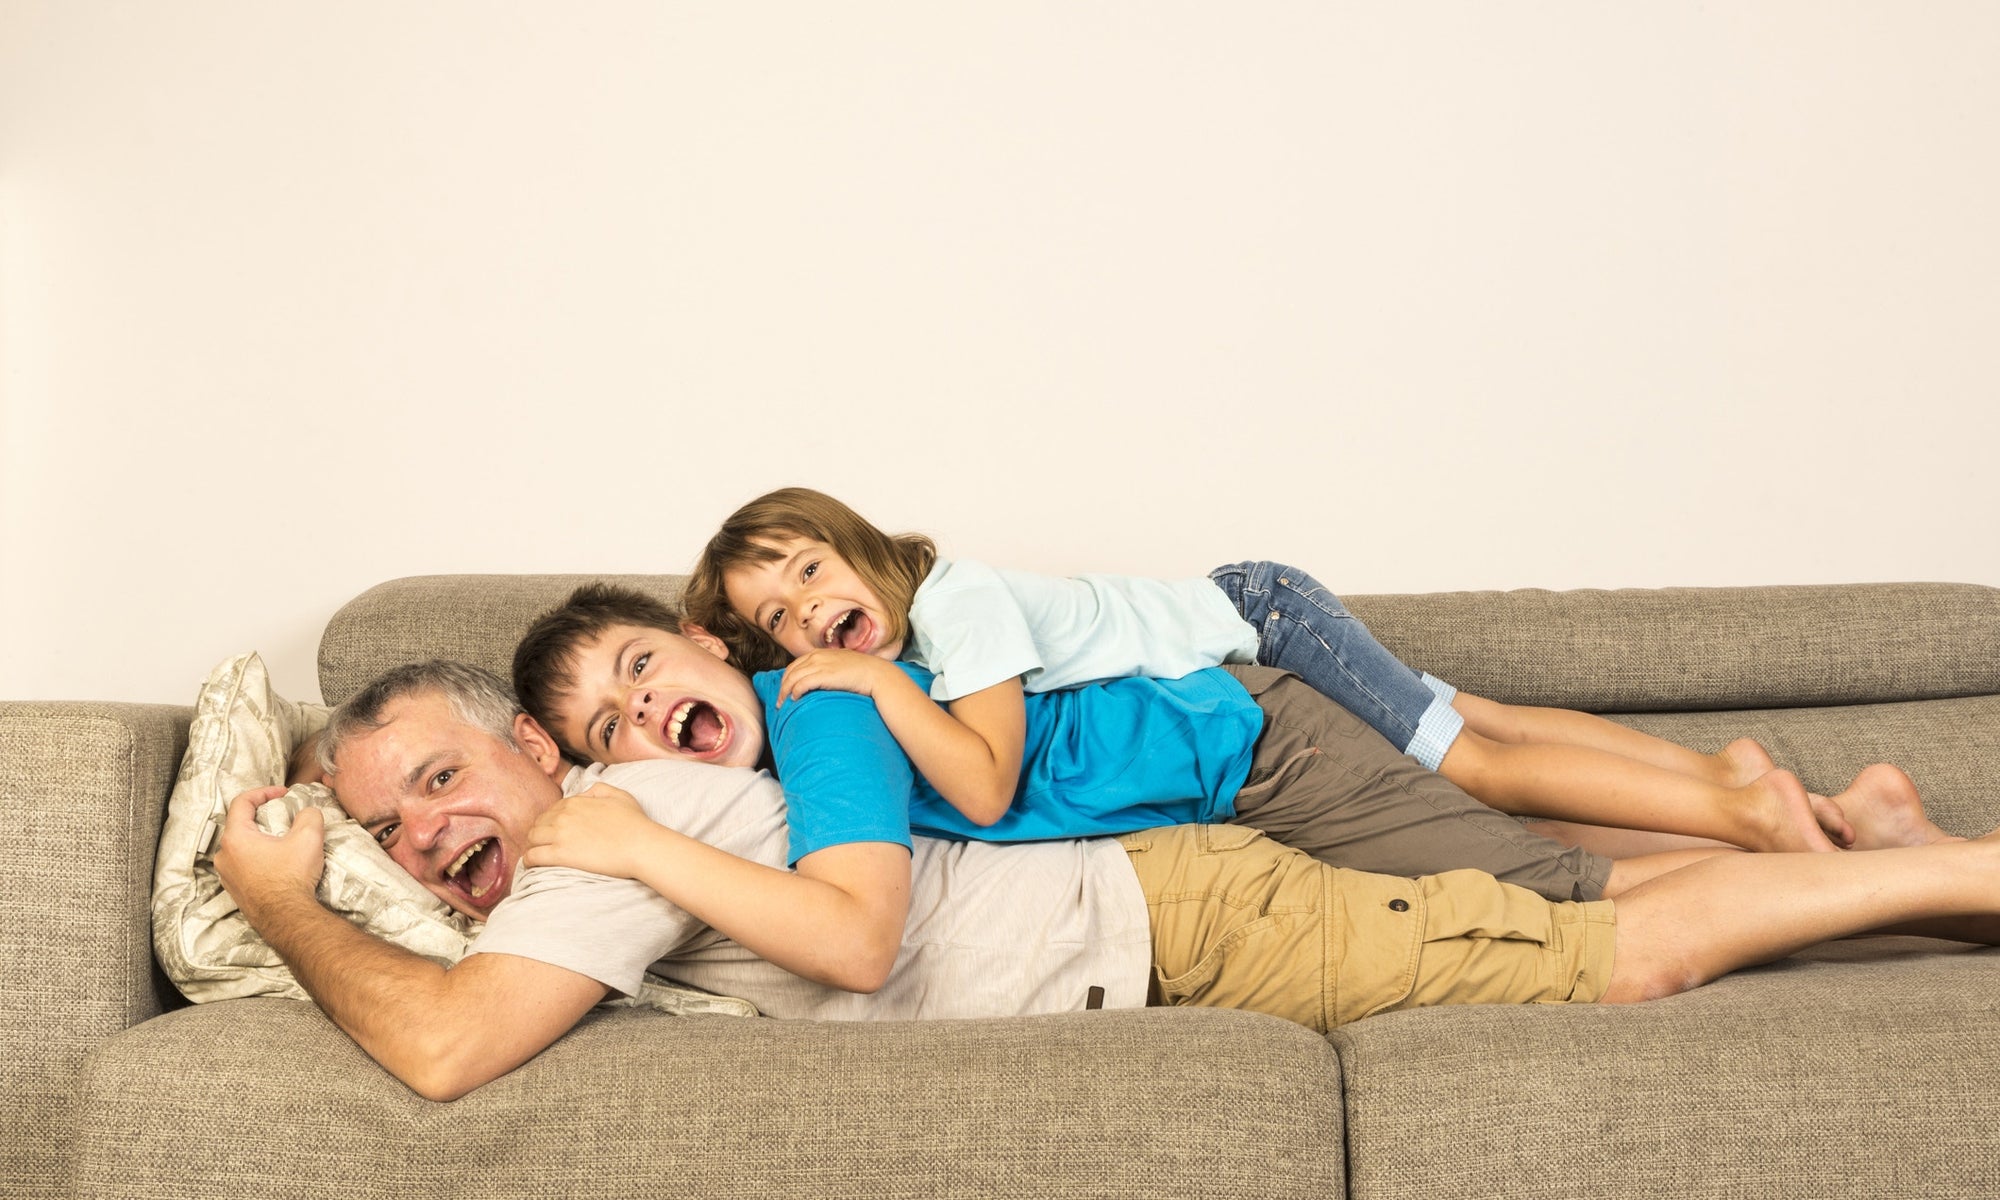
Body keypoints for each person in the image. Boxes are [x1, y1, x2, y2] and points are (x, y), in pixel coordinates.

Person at [215, 658, 2000, 1105]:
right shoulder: (592, 832)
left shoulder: (597, 836)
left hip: (1188, 899)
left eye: (443, 780)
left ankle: (1971, 871)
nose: (426, 838)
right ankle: (1904, 865)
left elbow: (447, 1057)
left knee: (1617, 951)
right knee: (1560, 905)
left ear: (534, 751)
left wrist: (291, 900)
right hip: (1166, 894)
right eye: (384, 833)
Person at [512, 584, 1935, 910]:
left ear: (712, 645)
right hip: (1235, 748)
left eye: (647, 669)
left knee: (1552, 895)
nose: (646, 717)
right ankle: (1818, 817)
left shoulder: (841, 697)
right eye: (609, 732)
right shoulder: (801, 733)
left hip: (1252, 740)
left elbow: (982, 791)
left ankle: (1836, 855)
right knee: (1516, 811)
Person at [681, 488, 1856, 854]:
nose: (807, 616)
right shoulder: (932, 629)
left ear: (855, 543)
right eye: (776, 620)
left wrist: (883, 691)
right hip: (1255, 602)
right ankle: (1725, 767)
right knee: (1475, 713)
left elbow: (983, 787)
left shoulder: (953, 606)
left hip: (1262, 622)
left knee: (1478, 768)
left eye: (807, 571)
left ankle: (1742, 814)